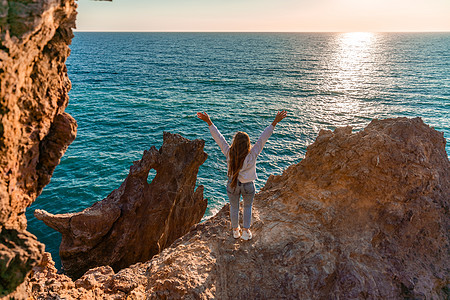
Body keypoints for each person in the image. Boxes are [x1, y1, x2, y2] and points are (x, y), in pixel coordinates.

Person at [197, 110, 287, 240]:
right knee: (247, 207)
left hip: (232, 184)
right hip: (248, 186)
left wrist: (209, 122)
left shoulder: (229, 153)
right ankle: (245, 232)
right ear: (247, 144)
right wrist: (274, 122)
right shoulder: (252, 155)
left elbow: (219, 138)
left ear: (234, 143)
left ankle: (235, 231)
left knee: (234, 207)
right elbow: (263, 138)